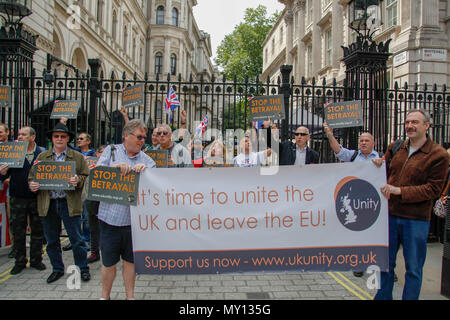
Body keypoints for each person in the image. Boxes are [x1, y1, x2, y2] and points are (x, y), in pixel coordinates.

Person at [373, 109, 449, 300]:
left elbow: (433, 189)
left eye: (415, 122)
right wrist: (376, 164)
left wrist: (400, 191)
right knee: (385, 264)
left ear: (427, 126)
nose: (409, 126)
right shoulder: (396, 147)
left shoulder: (438, 154)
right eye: (407, 122)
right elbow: (383, 169)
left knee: (413, 268)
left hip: (416, 220)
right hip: (389, 216)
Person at [97, 119, 156, 300]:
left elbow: (155, 187)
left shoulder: (147, 160)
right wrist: (112, 169)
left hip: (133, 222)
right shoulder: (111, 151)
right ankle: (104, 296)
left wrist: (146, 173)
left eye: (143, 138)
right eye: (138, 137)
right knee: (108, 263)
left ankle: (130, 297)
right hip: (109, 219)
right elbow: (97, 173)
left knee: (130, 262)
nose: (141, 141)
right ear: (126, 136)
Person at [28, 122, 91, 284]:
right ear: (52, 139)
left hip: (69, 203)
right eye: (56, 136)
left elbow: (86, 175)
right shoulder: (42, 157)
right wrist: (32, 185)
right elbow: (32, 177)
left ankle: (82, 269)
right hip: (48, 203)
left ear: (68, 138)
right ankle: (57, 269)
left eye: (63, 136)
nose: (59, 139)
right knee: (52, 240)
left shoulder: (77, 157)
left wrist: (78, 180)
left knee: (77, 240)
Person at [323, 122, 381, 277]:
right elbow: (338, 150)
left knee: (377, 234)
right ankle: (360, 264)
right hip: (357, 202)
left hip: (375, 203)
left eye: (366, 140)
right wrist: (330, 135)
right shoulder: (354, 156)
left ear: (373, 143)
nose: (363, 142)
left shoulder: (381, 158)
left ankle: (381, 263)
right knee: (359, 234)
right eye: (361, 140)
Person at [0, 127, 46, 275]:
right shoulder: (12, 151)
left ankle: (36, 260)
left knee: (37, 231)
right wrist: (2, 173)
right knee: (18, 231)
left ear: (32, 137)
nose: (19, 137)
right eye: (19, 134)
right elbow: (3, 176)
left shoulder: (42, 153)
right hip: (17, 197)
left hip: (36, 198)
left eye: (23, 135)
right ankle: (19, 261)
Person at [85, 144, 107, 264]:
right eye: (101, 153)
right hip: (91, 199)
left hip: (107, 200)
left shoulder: (113, 164)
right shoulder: (90, 164)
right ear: (96, 154)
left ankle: (107, 250)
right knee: (93, 227)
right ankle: (94, 252)